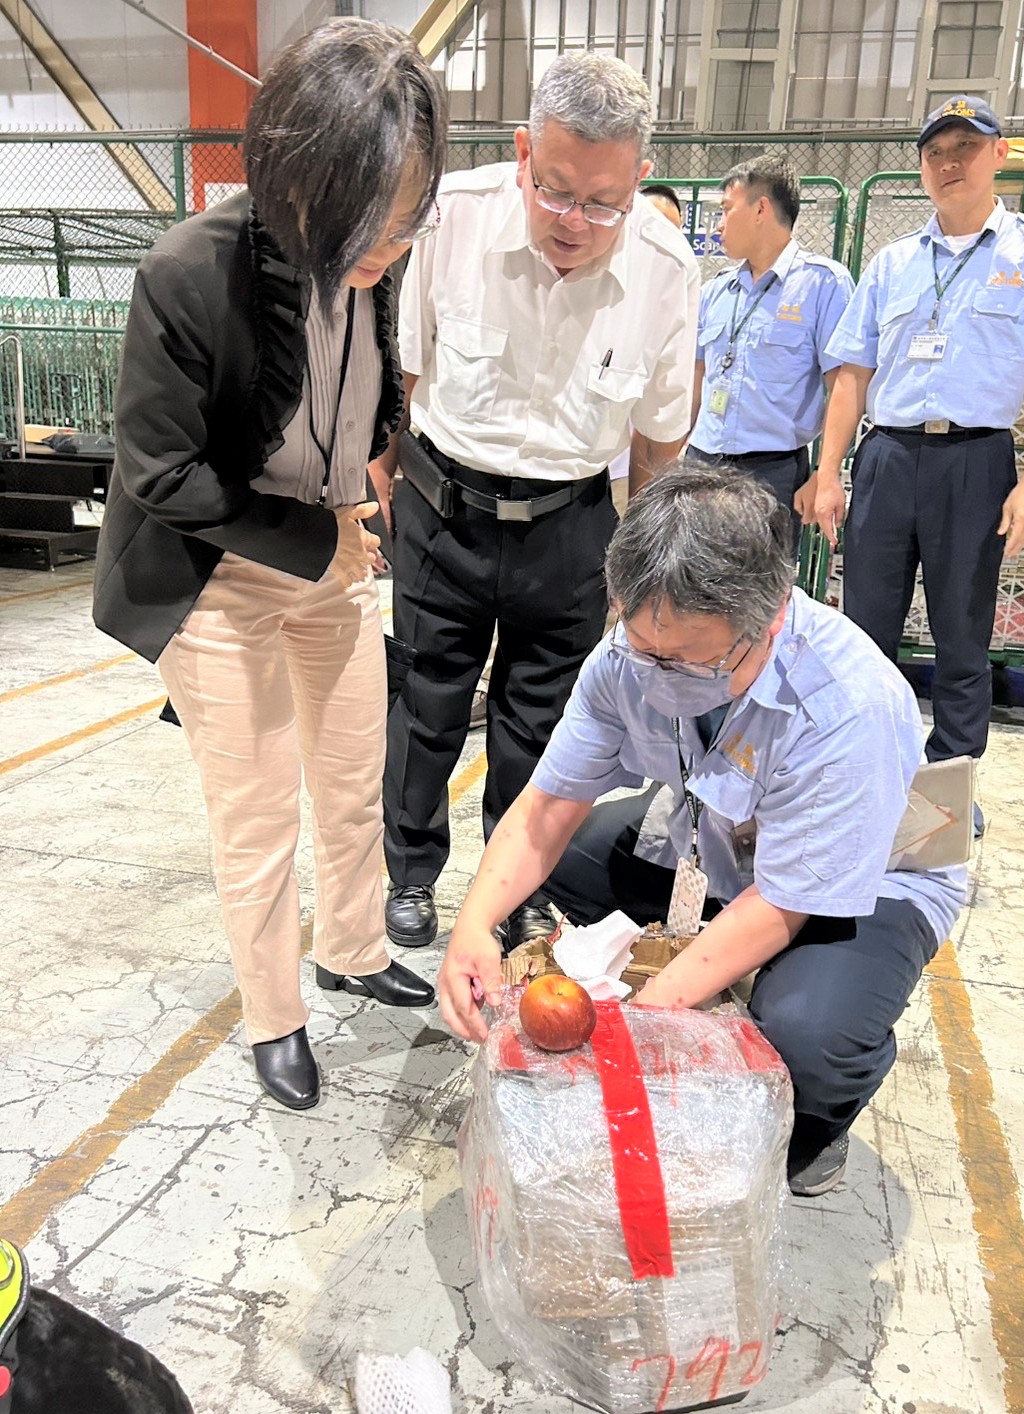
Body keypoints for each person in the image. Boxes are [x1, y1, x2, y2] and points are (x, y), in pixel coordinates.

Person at [92, 19, 447, 1110]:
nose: (385, 250)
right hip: (217, 572)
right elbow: (159, 474)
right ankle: (273, 1015)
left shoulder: (370, 267)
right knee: (256, 814)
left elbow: (355, 399)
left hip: (329, 548)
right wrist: (315, 540)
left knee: (351, 781)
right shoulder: (187, 274)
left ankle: (349, 944)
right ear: (299, 181)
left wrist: (377, 477)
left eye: (407, 223)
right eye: (368, 226)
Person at [438, 466, 967, 1197]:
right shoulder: (625, 659)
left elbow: (784, 901)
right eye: (646, 650)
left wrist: (640, 1025)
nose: (662, 679)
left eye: (695, 659)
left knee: (807, 1039)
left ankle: (824, 1110)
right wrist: (472, 926)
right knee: (565, 863)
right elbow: (543, 809)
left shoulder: (848, 703)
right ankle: (696, 959)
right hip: (713, 838)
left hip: (865, 875)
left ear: (771, 617)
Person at [376, 51, 701, 954]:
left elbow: (659, 438)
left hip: (571, 525)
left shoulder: (667, 267)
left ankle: (514, 888)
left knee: (540, 723)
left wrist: (644, 567)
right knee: (425, 703)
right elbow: (404, 376)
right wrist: (387, 502)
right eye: (555, 190)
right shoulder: (454, 220)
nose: (574, 222)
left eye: (602, 203)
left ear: (638, 178)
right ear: (523, 151)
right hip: (441, 509)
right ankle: (407, 872)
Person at [813, 97, 1024, 831]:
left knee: (962, 635)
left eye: (966, 146)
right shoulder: (892, 262)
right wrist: (829, 469)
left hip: (976, 462)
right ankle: (863, 775)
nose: (949, 162)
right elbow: (852, 374)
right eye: (936, 151)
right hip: (887, 456)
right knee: (864, 629)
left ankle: (948, 792)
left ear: (998, 155)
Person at [686, 155, 855, 550]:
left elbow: (844, 387)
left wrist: (825, 472)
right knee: (691, 590)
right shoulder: (716, 291)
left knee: (759, 599)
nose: (719, 224)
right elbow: (697, 380)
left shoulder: (822, 285)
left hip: (770, 473)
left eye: (727, 210)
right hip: (702, 462)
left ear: (761, 208)